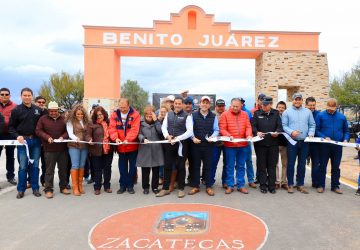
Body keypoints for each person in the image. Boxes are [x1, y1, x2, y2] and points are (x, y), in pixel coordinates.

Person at [8, 87, 44, 199]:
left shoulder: (38, 110)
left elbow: (43, 124)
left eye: (29, 95)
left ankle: (35, 188)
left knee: (35, 166)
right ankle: (21, 189)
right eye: (25, 95)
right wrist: (17, 136)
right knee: (23, 167)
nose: (27, 97)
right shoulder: (16, 110)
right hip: (23, 142)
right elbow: (11, 127)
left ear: (32, 96)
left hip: (36, 141)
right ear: (21, 96)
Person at [157, 96, 193, 198]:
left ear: (182, 105)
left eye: (179, 103)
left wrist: (178, 138)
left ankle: (181, 189)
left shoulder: (187, 116)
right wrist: (167, 136)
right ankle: (165, 189)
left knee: (181, 167)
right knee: (167, 166)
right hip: (170, 144)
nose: (177, 105)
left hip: (181, 145)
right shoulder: (169, 114)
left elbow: (190, 131)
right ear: (174, 104)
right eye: (176, 103)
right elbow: (163, 127)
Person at [282, 93, 315, 194]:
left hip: (304, 142)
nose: (297, 101)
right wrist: (291, 132)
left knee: (302, 164)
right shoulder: (287, 112)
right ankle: (290, 184)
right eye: (296, 99)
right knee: (291, 164)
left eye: (299, 99)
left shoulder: (308, 112)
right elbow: (284, 126)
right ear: (293, 100)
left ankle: (300, 184)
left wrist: (310, 133)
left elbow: (312, 124)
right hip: (292, 142)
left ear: (302, 101)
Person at [35, 101, 70, 198]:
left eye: (55, 111)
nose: (53, 113)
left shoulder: (64, 119)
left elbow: (68, 131)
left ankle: (63, 187)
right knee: (49, 171)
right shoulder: (43, 119)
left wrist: (63, 137)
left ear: (58, 110)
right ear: (48, 110)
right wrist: (47, 137)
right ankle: (48, 189)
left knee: (63, 169)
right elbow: (38, 130)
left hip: (62, 149)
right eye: (51, 111)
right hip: (49, 149)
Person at [315, 98, 350, 194]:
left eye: (333, 108)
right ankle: (321, 185)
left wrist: (346, 139)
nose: (331, 110)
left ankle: (335, 186)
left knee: (336, 166)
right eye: (329, 108)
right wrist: (324, 137)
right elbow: (316, 130)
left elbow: (346, 131)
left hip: (337, 146)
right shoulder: (320, 115)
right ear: (326, 106)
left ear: (336, 107)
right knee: (322, 166)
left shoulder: (342, 117)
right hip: (324, 146)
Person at [220, 97, 252, 194]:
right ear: (231, 105)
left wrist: (248, 135)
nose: (235, 108)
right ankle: (230, 185)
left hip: (243, 145)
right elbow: (222, 128)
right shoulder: (225, 114)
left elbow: (248, 126)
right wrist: (228, 135)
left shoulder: (245, 114)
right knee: (229, 166)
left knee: (241, 166)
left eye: (237, 106)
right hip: (230, 145)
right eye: (233, 106)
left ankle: (240, 185)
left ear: (241, 106)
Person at [188, 96, 219, 196]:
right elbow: (189, 130)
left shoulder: (213, 116)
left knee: (208, 166)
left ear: (209, 105)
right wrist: (193, 138)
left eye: (207, 103)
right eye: (203, 102)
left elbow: (217, 130)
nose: (204, 104)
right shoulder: (193, 115)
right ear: (200, 104)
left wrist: (212, 137)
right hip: (196, 145)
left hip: (209, 145)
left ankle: (208, 186)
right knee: (195, 166)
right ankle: (195, 186)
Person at [252, 96, 283, 194]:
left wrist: (277, 132)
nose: (263, 106)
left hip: (273, 144)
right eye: (262, 105)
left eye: (265, 105)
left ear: (270, 105)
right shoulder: (257, 114)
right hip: (261, 144)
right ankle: (263, 185)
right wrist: (257, 132)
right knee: (262, 166)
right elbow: (253, 126)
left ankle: (272, 186)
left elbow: (280, 126)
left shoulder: (276, 113)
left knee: (272, 166)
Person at [109, 98, 140, 194]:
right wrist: (115, 138)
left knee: (132, 168)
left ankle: (130, 186)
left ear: (128, 105)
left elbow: (135, 130)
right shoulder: (114, 114)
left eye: (124, 107)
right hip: (121, 147)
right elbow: (112, 128)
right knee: (122, 168)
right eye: (120, 107)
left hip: (132, 146)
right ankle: (122, 185)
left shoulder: (135, 114)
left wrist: (128, 139)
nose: (122, 109)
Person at [86, 106, 114, 195]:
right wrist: (89, 139)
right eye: (97, 115)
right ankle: (97, 187)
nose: (99, 116)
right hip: (96, 150)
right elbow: (87, 135)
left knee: (107, 168)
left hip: (108, 150)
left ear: (104, 114)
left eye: (101, 114)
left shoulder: (109, 122)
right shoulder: (91, 124)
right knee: (97, 169)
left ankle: (107, 186)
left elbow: (113, 133)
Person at [136, 105, 164, 194]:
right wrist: (143, 138)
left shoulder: (158, 122)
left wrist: (156, 121)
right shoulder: (140, 123)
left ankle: (155, 187)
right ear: (144, 114)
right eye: (147, 114)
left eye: (151, 114)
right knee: (145, 170)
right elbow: (138, 134)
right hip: (145, 149)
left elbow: (161, 132)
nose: (149, 116)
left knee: (156, 170)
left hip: (156, 149)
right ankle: (145, 187)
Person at [66, 104, 89, 196]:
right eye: (78, 114)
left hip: (84, 146)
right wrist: (76, 138)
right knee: (75, 165)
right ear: (74, 114)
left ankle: (80, 186)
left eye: (81, 114)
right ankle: (75, 187)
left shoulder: (86, 121)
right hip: (74, 146)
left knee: (82, 165)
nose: (80, 116)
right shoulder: (70, 121)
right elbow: (70, 133)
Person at [0, 87, 17, 185]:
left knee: (10, 156)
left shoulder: (15, 106)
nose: (4, 96)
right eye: (2, 94)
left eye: (6, 94)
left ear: (9, 96)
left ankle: (10, 176)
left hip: (10, 135)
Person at [210, 99, 227, 188]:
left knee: (227, 163)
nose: (221, 108)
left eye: (222, 106)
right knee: (213, 163)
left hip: (226, 142)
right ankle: (210, 181)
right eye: (219, 106)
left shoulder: (228, 113)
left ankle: (225, 181)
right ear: (216, 106)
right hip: (215, 143)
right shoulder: (212, 114)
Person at [240, 97, 257, 188]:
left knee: (248, 161)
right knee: (239, 162)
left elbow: (250, 125)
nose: (241, 104)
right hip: (237, 140)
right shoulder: (233, 111)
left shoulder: (248, 112)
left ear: (243, 103)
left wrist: (249, 135)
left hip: (247, 140)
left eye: (242, 103)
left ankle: (251, 180)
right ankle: (239, 180)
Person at [305, 96, 321, 188]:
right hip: (304, 143)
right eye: (310, 105)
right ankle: (300, 182)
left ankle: (315, 182)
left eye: (313, 105)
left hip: (316, 144)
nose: (312, 107)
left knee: (315, 164)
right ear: (306, 105)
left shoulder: (319, 114)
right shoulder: (302, 113)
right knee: (301, 163)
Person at [34, 95, 48, 187]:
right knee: (33, 163)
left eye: (43, 102)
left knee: (45, 163)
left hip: (44, 141)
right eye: (39, 102)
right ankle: (31, 181)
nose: (41, 104)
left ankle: (44, 180)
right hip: (34, 140)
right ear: (35, 102)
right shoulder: (31, 111)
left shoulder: (47, 112)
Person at [275, 101, 288, 189]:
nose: (281, 109)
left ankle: (284, 182)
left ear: (285, 109)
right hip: (275, 143)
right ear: (276, 108)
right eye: (279, 107)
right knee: (275, 164)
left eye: (283, 108)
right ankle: (276, 181)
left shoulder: (287, 117)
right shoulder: (273, 117)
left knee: (285, 164)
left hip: (285, 144)